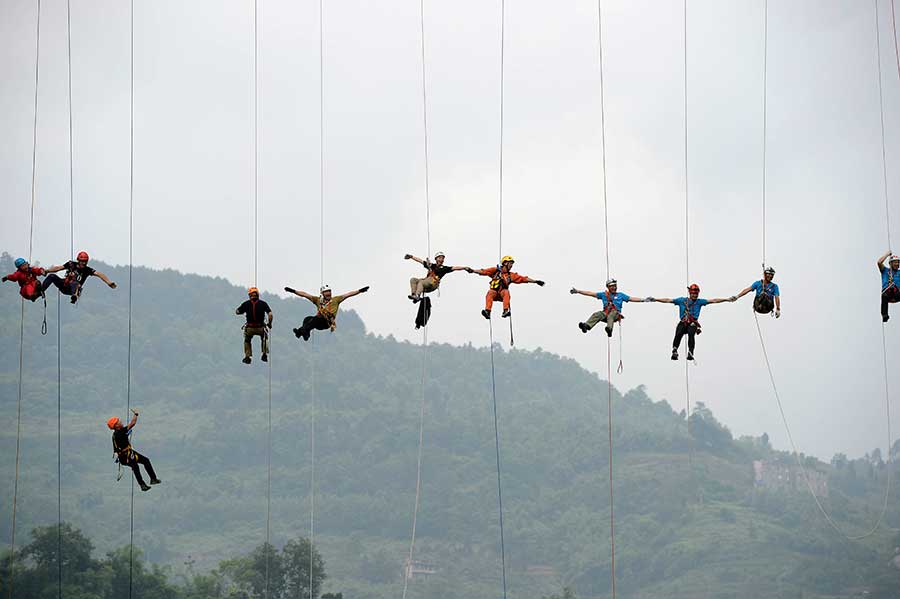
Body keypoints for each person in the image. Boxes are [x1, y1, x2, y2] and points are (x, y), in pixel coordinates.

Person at [648, 284, 734, 360]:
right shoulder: (682, 300)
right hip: (683, 322)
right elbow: (668, 300)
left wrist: (727, 299)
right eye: (693, 294)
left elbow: (714, 300)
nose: (694, 296)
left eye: (696, 294)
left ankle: (690, 352)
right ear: (690, 293)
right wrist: (655, 299)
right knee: (678, 333)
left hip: (692, 323)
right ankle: (675, 350)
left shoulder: (699, 302)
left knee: (691, 334)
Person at [469, 256, 544, 319]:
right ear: (505, 263)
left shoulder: (511, 275)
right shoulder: (495, 271)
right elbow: (484, 271)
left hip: (502, 295)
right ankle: (487, 311)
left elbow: (523, 278)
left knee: (506, 292)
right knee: (490, 292)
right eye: (510, 263)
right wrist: (473, 270)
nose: (511, 266)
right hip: (494, 293)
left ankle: (505, 311)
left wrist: (535, 281)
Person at [285, 284, 370, 340]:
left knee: (315, 320)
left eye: (329, 291)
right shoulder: (318, 300)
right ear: (322, 293)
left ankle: (300, 332)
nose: (329, 293)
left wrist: (360, 291)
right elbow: (305, 295)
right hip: (319, 321)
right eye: (326, 292)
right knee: (307, 319)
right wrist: (293, 291)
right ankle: (306, 334)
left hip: (326, 322)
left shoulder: (336, 300)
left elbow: (348, 294)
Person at [570, 278, 648, 337]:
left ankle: (609, 329)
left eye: (615, 286)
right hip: (605, 314)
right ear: (608, 287)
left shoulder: (620, 295)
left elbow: (631, 298)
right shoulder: (603, 295)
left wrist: (643, 300)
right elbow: (590, 293)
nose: (614, 288)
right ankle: (587, 326)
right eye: (611, 286)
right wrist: (578, 291)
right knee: (597, 314)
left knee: (612, 314)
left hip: (615, 314)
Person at [107, 410, 160, 492]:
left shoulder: (116, 434)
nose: (121, 422)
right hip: (126, 455)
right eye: (119, 422)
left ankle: (152, 479)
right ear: (116, 426)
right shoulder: (120, 432)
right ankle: (143, 484)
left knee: (145, 461)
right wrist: (136, 414)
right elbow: (133, 423)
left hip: (125, 455)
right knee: (136, 466)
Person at [41, 251, 117, 304]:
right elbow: (58, 268)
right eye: (82, 261)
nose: (83, 263)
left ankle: (74, 296)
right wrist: (47, 271)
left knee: (75, 283)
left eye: (85, 261)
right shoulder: (71, 264)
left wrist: (109, 282)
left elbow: (99, 274)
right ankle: (40, 290)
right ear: (78, 260)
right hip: (65, 285)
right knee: (51, 276)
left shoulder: (87, 270)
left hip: (73, 289)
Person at [236, 287, 273, 364]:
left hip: (250, 328)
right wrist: (269, 324)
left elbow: (237, 311)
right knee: (264, 339)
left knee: (247, 340)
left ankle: (247, 356)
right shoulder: (263, 303)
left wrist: (243, 311)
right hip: (260, 327)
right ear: (258, 295)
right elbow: (270, 314)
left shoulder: (246, 304)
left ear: (250, 295)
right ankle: (264, 354)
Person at [878, 251, 900, 322]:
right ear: (891, 263)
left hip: (897, 293)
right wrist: (887, 254)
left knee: (896, 290)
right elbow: (879, 262)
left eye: (898, 262)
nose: (897, 264)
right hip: (888, 294)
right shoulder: (885, 271)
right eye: (895, 262)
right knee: (884, 295)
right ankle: (885, 315)